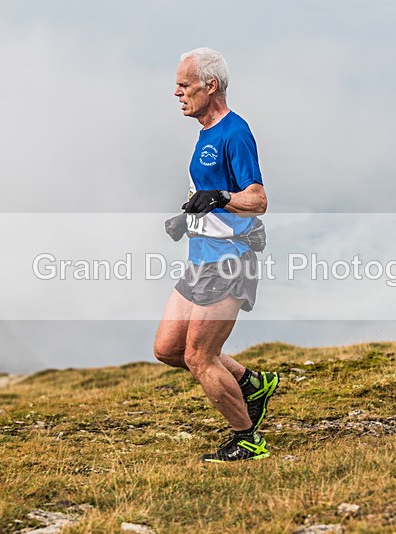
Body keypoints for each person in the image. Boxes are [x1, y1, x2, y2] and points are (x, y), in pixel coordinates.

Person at [153, 48, 279, 462]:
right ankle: (252, 383)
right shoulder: (205, 131)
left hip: (229, 261)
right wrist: (189, 217)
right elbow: (209, 194)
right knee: (168, 349)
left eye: (183, 85)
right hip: (200, 257)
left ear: (210, 86)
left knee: (199, 356)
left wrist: (221, 197)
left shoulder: (235, 132)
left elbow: (257, 200)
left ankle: (247, 439)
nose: (177, 92)